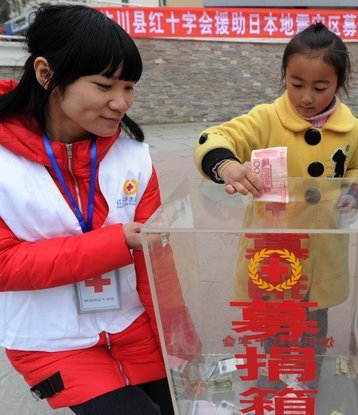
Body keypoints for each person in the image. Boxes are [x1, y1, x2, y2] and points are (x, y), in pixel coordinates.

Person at [0, 5, 197, 414]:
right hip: (51, 341)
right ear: (45, 73)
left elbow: (156, 264)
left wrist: (179, 339)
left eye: (128, 87)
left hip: (134, 328)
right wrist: (115, 242)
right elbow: (4, 265)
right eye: (105, 85)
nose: (121, 102)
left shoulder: (133, 157)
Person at [193, 22, 358, 389]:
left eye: (320, 87)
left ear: (339, 83)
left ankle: (306, 389)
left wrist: (353, 192)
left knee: (313, 328)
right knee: (272, 327)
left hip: (322, 249)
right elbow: (218, 137)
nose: (306, 97)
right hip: (272, 250)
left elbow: (357, 166)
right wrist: (225, 164)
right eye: (296, 83)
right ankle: (273, 387)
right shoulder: (266, 118)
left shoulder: (351, 129)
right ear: (284, 77)